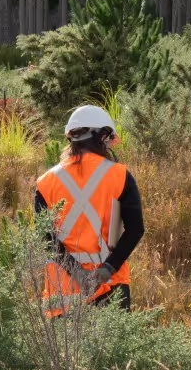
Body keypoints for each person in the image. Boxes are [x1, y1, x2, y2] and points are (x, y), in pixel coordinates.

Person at [34, 104, 145, 313]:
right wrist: (107, 269)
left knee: (64, 348)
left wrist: (77, 273)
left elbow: (44, 237)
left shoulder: (45, 182)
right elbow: (135, 229)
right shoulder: (120, 175)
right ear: (102, 136)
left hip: (62, 295)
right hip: (110, 289)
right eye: (109, 139)